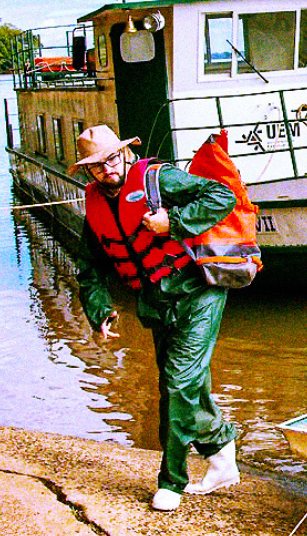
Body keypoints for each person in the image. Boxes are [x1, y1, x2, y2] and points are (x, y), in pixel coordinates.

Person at [73, 124, 241, 512]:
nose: (107, 170)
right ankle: (222, 457)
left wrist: (175, 221)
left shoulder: (157, 178)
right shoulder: (95, 203)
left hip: (199, 289)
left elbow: (222, 195)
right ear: (88, 171)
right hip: (155, 300)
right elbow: (90, 265)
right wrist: (99, 311)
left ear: (125, 153)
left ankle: (172, 481)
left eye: (112, 159)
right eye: (97, 166)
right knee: (184, 386)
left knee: (178, 381)